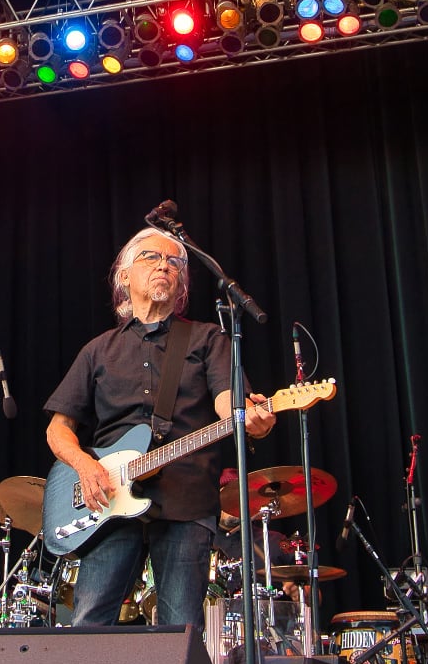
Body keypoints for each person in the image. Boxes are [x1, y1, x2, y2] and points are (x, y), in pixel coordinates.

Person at [45, 226, 275, 627]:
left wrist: (252, 419)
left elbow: (227, 404)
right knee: (87, 623)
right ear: (124, 275)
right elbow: (58, 429)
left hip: (186, 501)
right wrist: (87, 467)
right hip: (108, 500)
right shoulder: (98, 350)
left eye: (174, 262)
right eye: (152, 257)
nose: (164, 266)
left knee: (179, 630)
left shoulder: (207, 338)